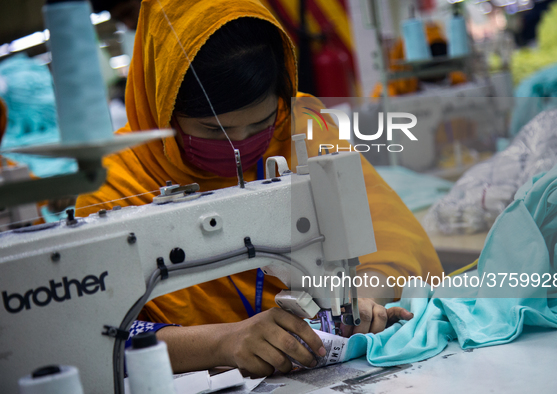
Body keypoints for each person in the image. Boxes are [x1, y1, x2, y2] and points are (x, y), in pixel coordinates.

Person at [75, 0, 443, 377]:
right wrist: (224, 341)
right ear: (162, 108)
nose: (239, 146)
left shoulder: (304, 127)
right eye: (215, 131)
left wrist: (360, 297)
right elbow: (94, 336)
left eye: (260, 125)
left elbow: (390, 236)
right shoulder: (113, 188)